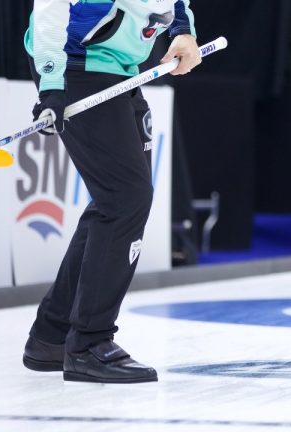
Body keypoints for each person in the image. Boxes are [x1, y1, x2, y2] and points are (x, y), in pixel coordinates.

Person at [21, 0, 201, 384]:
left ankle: (51, 336)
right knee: (125, 199)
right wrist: (52, 84)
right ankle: (88, 344)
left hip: (122, 69)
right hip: (78, 68)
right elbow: (49, 10)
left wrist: (182, 29)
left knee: (116, 200)